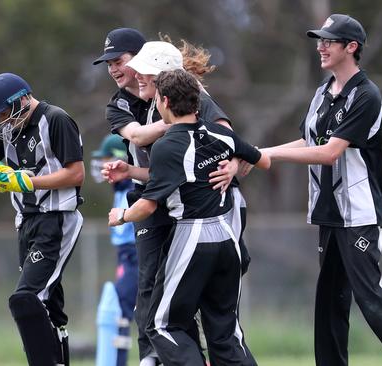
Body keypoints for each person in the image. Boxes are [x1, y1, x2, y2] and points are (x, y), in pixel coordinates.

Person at [258, 14, 382, 366]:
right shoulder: (322, 93)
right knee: (329, 304)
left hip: (359, 215)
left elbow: (329, 152)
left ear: (351, 47)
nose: (320, 47)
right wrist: (261, 153)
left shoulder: (367, 95)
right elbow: (309, 140)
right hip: (328, 214)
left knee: (371, 302)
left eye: (329, 41)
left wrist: (268, 155)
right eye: (319, 40)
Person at [108, 69, 269, 366]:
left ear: (165, 101)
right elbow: (264, 160)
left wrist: (121, 216)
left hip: (193, 236)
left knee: (161, 324)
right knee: (225, 332)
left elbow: (148, 206)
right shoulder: (220, 132)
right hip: (227, 235)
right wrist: (232, 166)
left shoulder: (167, 146)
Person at [95, 31, 238, 366]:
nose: (114, 70)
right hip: (156, 198)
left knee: (191, 293)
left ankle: (200, 355)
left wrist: (231, 163)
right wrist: (180, 122)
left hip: (195, 208)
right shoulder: (128, 103)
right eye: (109, 64)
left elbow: (232, 139)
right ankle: (152, 358)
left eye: (120, 61)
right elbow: (138, 137)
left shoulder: (187, 95)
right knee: (149, 285)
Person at [0, 71, 85, 366]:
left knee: (25, 299)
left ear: (20, 100)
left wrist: (26, 182)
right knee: (48, 308)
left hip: (56, 220)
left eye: (2, 112)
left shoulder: (55, 119)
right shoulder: (9, 129)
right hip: (26, 222)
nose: (1, 121)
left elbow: (76, 173)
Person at [91, 134, 137, 366]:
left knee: (117, 309)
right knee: (118, 309)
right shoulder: (120, 190)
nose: (101, 165)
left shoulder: (132, 188)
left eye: (107, 158)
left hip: (136, 259)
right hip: (126, 260)